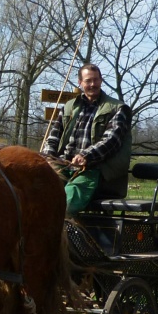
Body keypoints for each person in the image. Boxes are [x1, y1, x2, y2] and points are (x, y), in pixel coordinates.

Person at [42, 63, 132, 216]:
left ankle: (63, 237)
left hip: (94, 170)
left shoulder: (118, 108)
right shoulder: (69, 107)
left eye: (96, 80)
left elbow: (111, 141)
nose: (93, 84)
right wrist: (47, 159)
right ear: (80, 83)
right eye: (88, 81)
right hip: (64, 166)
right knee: (37, 194)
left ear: (101, 80)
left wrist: (86, 156)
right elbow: (53, 137)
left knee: (66, 202)